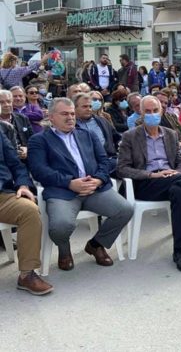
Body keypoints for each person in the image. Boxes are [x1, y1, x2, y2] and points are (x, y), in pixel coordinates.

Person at [28, 98, 133, 271]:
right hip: (63, 192)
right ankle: (64, 250)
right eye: (64, 114)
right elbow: (39, 170)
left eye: (72, 114)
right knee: (60, 227)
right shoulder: (39, 140)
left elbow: (105, 161)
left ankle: (96, 244)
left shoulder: (87, 135)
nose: (70, 117)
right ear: (51, 117)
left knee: (125, 210)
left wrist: (98, 180)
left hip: (94, 189)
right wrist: (69, 183)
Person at [117, 95, 181, 272]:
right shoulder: (130, 136)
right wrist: (151, 175)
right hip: (147, 184)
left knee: (179, 192)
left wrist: (177, 173)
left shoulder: (170, 134)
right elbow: (122, 168)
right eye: (147, 111)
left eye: (155, 110)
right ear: (141, 113)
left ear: (161, 111)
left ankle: (178, 251)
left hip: (172, 179)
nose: (152, 114)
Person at [0, 131, 53, 295]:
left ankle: (26, 275)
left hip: (3, 196)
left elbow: (17, 165)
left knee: (29, 210)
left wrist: (23, 185)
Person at [74, 93, 120, 174]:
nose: (89, 109)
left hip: (109, 161)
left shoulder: (102, 121)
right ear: (74, 108)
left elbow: (117, 138)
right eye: (85, 106)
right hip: (87, 165)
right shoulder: (71, 126)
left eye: (90, 106)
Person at [0, 89, 33, 160]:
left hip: (25, 159)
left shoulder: (22, 118)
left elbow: (32, 139)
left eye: (9, 101)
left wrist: (27, 149)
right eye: (1, 102)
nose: (7, 105)